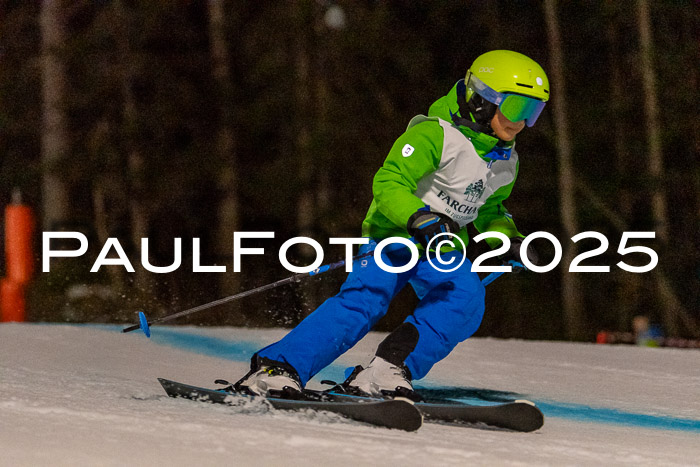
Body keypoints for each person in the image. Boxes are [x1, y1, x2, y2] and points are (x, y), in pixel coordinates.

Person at [235, 50, 549, 400]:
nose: (523, 121)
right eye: (517, 107)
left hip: (440, 247)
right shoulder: (435, 135)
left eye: (534, 111)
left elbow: (490, 208)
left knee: (466, 298)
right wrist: (419, 217)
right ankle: (277, 367)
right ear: (482, 99)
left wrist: (509, 239)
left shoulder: (506, 160)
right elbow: (389, 182)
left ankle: (386, 369)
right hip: (393, 236)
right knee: (365, 301)